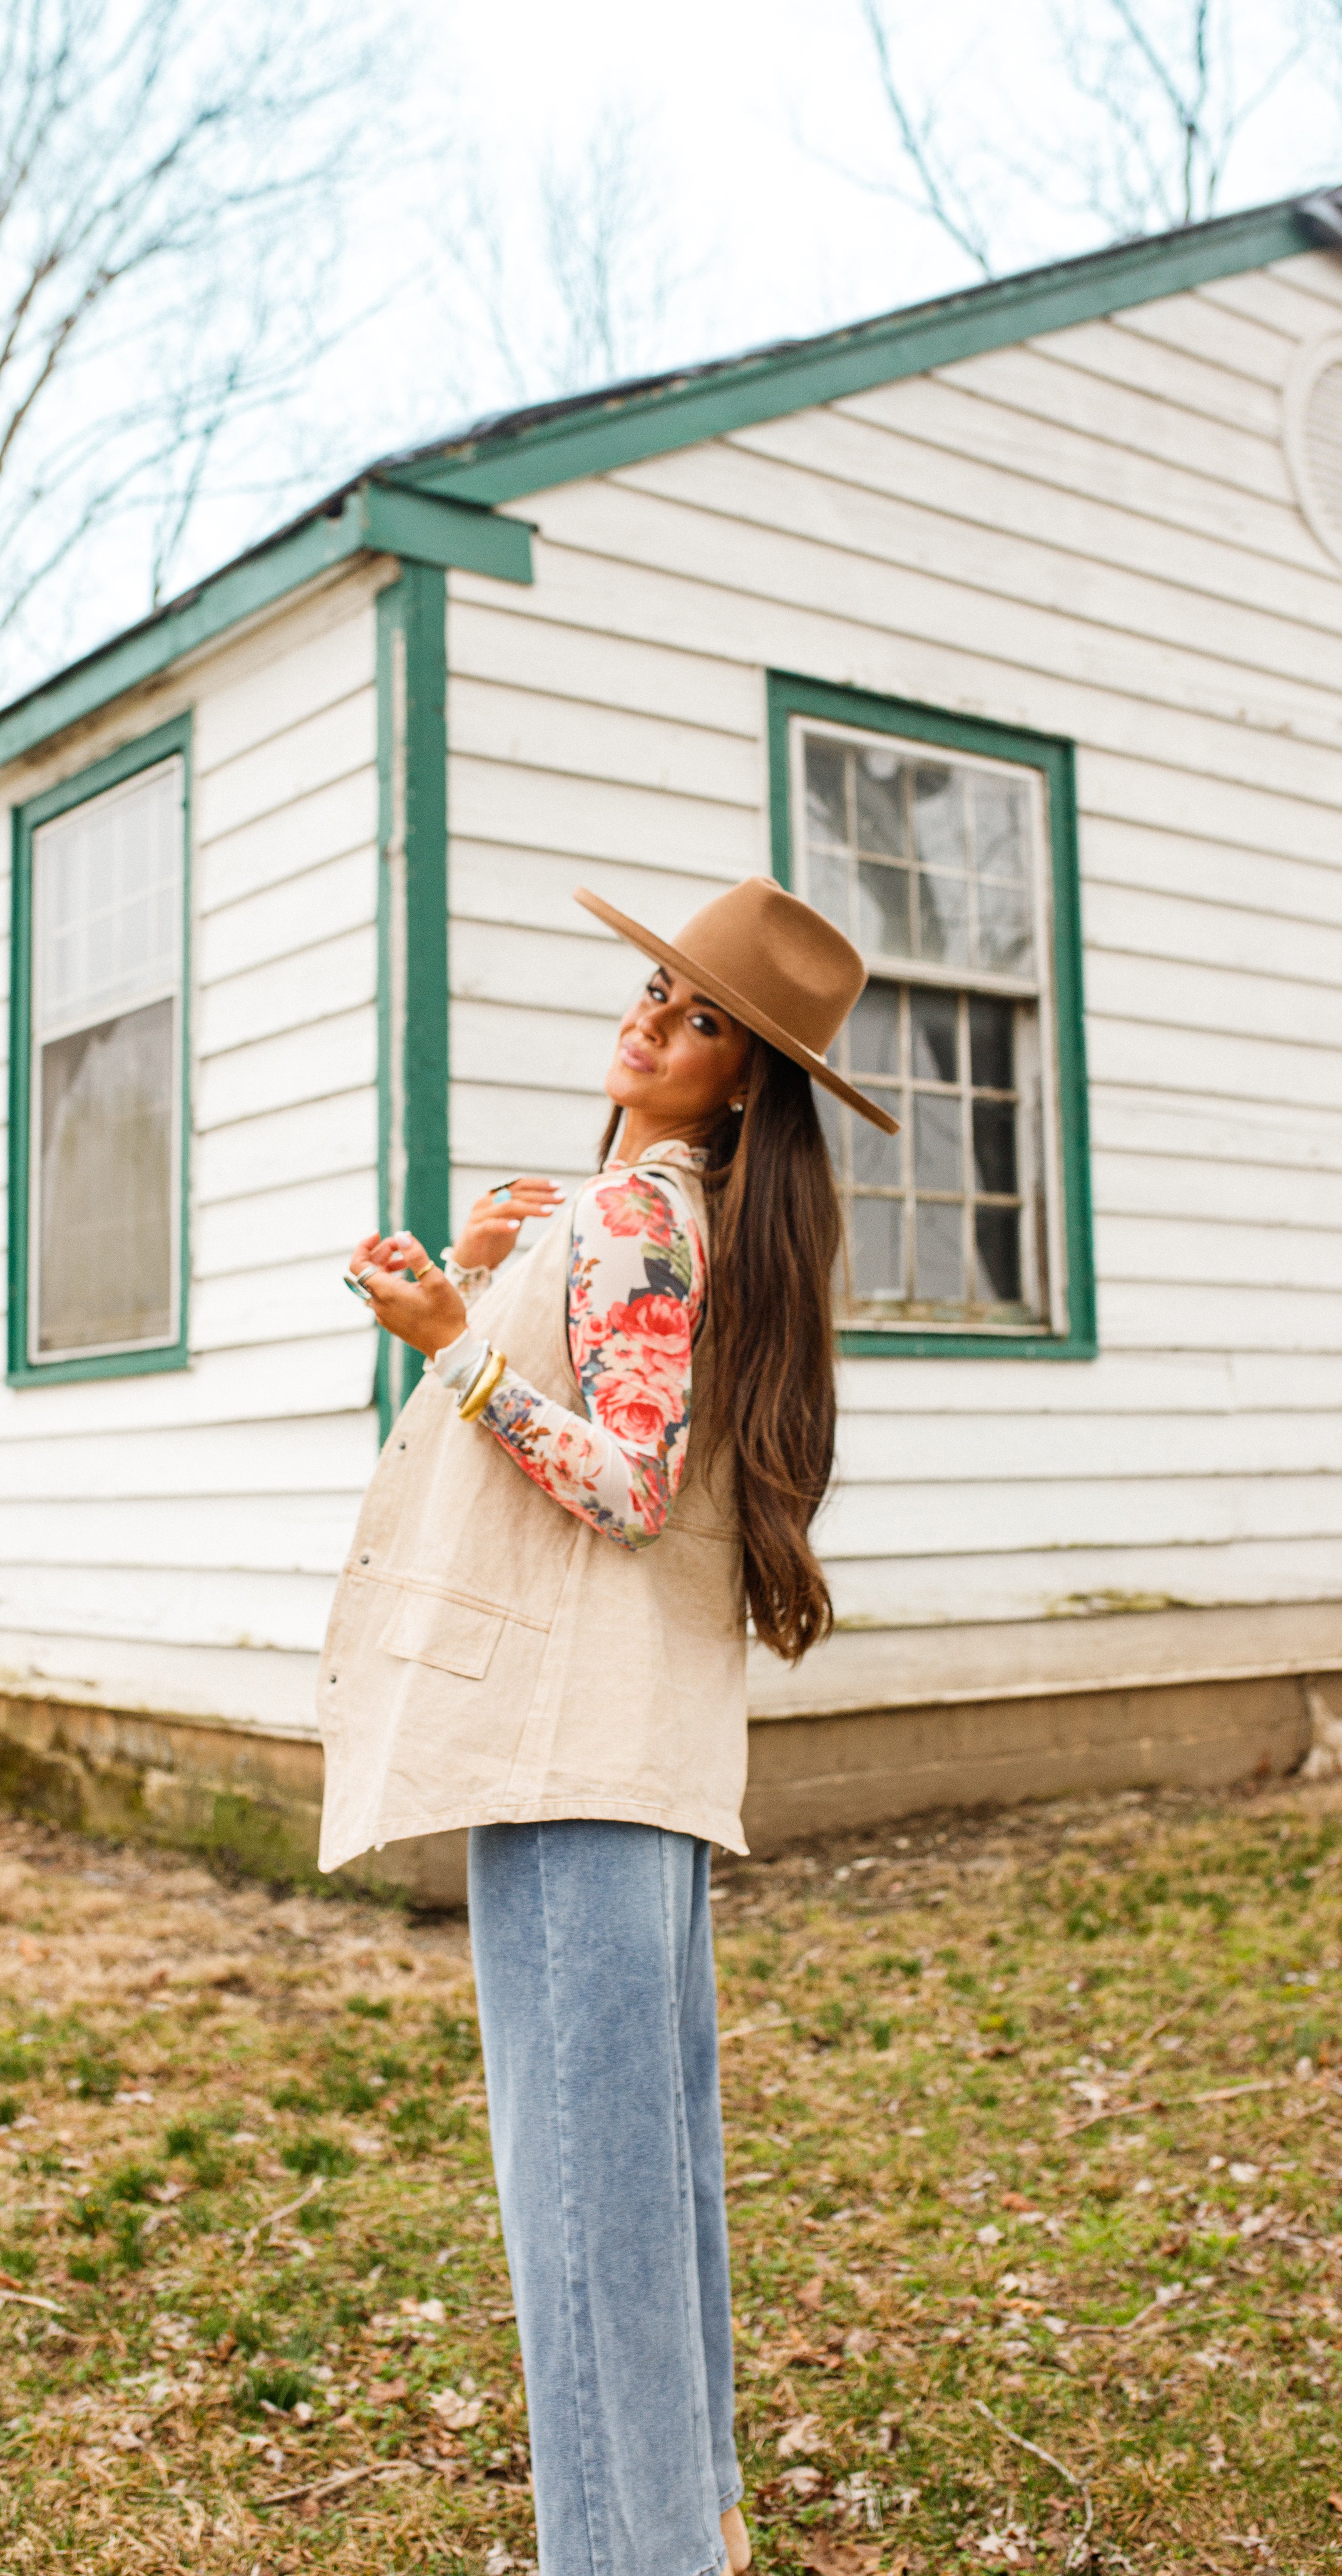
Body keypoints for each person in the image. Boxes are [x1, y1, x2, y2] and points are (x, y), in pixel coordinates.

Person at [321, 874, 900, 2576]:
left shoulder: (647, 1218)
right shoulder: (647, 1212)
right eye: (655, 985)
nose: (649, 1018)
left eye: (701, 1016)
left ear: (745, 1084)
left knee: (583, 2202)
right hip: (630, 1751)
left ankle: (630, 2553)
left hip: (572, 1748)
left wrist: (454, 1345)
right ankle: (690, 2527)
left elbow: (626, 1486)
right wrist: (485, 1284)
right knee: (647, 2180)